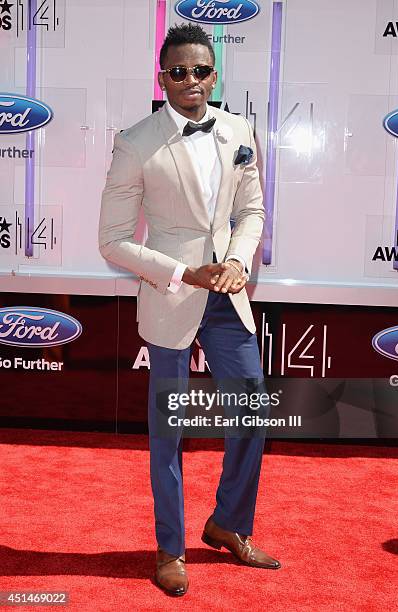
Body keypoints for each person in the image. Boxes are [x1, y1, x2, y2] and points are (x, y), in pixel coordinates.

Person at [99, 23, 281, 596]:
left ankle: (228, 524)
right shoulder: (136, 142)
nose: (191, 81)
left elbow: (250, 212)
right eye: (178, 72)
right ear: (163, 78)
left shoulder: (238, 131)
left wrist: (235, 262)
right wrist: (182, 272)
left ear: (214, 74)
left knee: (250, 407)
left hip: (227, 296)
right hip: (171, 294)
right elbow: (112, 240)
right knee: (168, 431)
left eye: (201, 71)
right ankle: (170, 547)